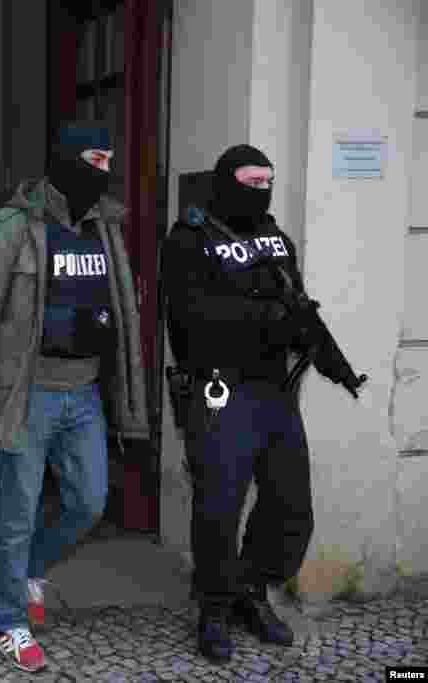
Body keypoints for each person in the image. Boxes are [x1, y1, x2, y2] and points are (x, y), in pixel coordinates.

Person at [0, 122, 148, 673]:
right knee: (15, 514)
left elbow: (126, 313)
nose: (103, 171)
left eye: (109, 160)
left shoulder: (106, 227)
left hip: (84, 393)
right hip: (28, 395)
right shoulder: (15, 226)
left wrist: (129, 394)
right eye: (93, 158)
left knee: (90, 502)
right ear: (64, 159)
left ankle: (29, 570)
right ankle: (8, 619)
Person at [162, 144, 367, 663]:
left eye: (267, 182)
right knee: (218, 507)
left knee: (290, 506)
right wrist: (264, 319)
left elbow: (299, 307)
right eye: (251, 181)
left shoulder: (276, 240)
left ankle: (249, 590)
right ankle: (213, 609)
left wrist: (333, 362)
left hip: (275, 391)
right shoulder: (190, 238)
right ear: (226, 181)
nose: (261, 191)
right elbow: (189, 316)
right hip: (220, 390)